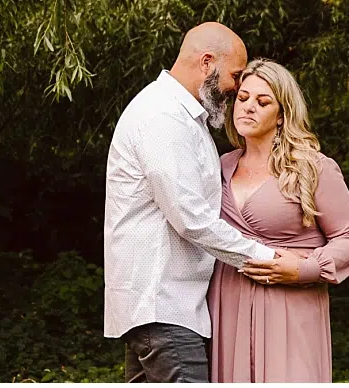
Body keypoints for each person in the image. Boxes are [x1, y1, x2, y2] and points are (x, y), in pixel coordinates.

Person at [104, 23, 302, 382]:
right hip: (163, 305)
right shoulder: (162, 116)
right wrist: (268, 258)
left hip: (164, 306)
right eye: (235, 75)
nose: (237, 87)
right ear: (207, 62)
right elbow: (190, 218)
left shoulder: (181, 116)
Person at [208, 58, 349, 383]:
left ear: (282, 115)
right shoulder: (220, 166)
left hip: (290, 305)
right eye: (243, 98)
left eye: (262, 102)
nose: (248, 107)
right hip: (228, 304)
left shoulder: (313, 168)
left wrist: (305, 270)